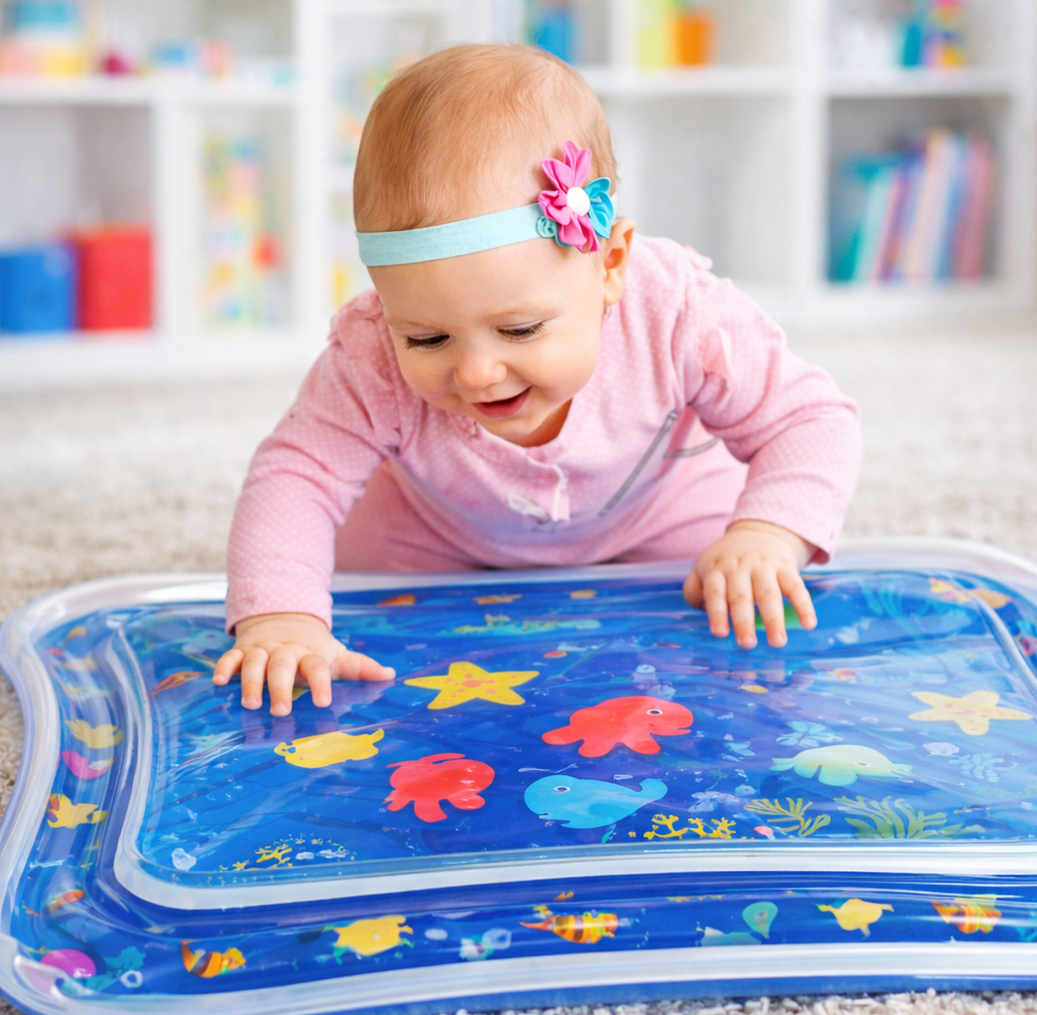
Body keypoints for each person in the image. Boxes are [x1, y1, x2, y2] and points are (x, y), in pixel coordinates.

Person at [214, 43, 861, 718]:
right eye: (426, 337)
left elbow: (809, 420)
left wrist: (767, 534)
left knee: (730, 592)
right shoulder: (370, 352)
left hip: (655, 514)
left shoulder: (677, 311)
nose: (476, 372)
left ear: (609, 263)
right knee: (358, 596)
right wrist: (282, 618)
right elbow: (298, 473)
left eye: (519, 330)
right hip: (435, 529)